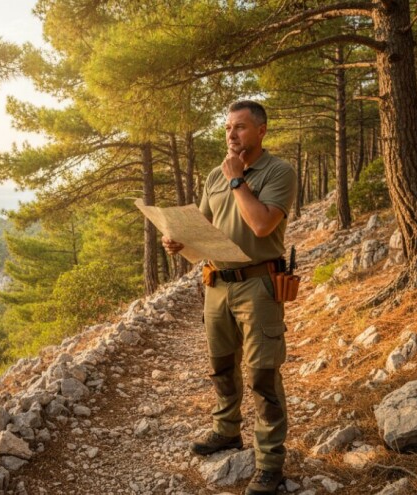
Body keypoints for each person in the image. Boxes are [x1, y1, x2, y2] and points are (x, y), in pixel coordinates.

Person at [162, 100, 296, 495]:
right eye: (227, 128)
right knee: (221, 366)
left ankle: (269, 461)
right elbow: (204, 224)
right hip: (216, 283)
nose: (231, 135)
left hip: (259, 285)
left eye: (239, 127)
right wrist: (178, 238)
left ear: (261, 131)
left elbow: (260, 224)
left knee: (262, 373)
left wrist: (238, 179)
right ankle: (226, 431)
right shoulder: (214, 176)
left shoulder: (278, 171)